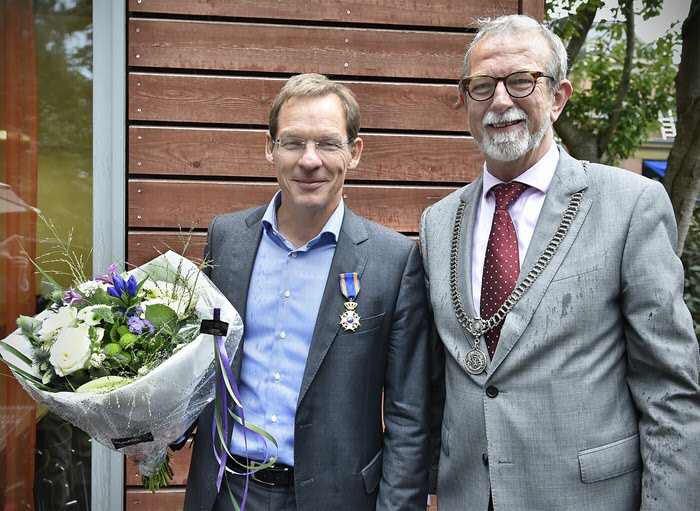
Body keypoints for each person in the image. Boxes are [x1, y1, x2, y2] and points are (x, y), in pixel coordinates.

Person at [419, 14, 700, 511]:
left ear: (558, 96)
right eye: (482, 86)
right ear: (463, 101)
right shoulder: (438, 224)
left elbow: (670, 391)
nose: (501, 101)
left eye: (522, 81)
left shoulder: (629, 204)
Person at [184, 73, 431, 511]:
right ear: (270, 148)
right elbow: (203, 361)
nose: (310, 161)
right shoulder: (227, 238)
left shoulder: (393, 260)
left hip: (338, 497)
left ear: (354, 153)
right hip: (228, 490)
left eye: (328, 144)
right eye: (293, 142)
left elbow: (409, 416)